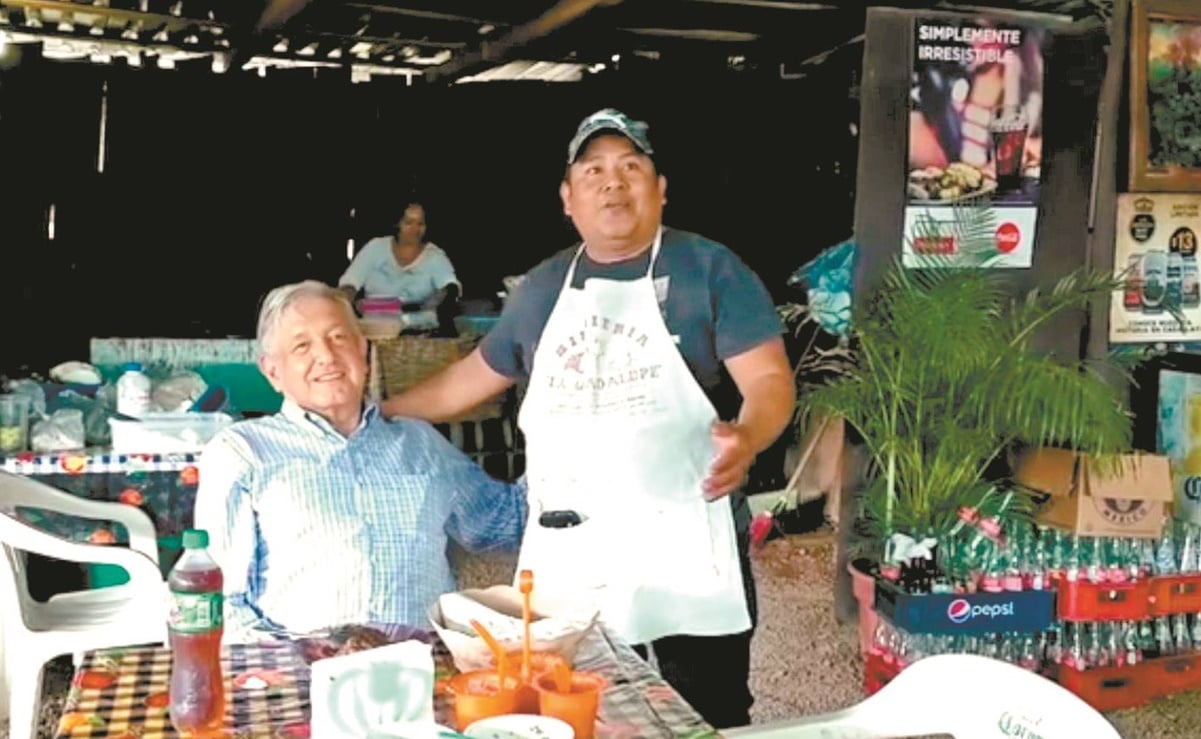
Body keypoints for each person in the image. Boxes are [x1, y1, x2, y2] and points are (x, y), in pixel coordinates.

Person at [381, 108, 795, 728]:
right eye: (594, 169)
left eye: (632, 167)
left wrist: (749, 435)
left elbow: (767, 381)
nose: (613, 182)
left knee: (706, 710)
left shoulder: (711, 269)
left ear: (660, 190)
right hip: (574, 546)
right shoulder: (544, 289)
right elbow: (471, 380)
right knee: (572, 705)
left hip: (685, 537)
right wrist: (380, 411)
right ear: (568, 198)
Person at [193, 280, 526, 643]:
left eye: (338, 337)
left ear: (363, 352)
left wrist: (567, 441)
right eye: (302, 345)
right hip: (304, 674)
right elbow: (220, 600)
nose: (326, 356)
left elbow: (504, 522)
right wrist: (291, 667)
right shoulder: (244, 452)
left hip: (418, 667)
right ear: (273, 371)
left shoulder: (420, 444)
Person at [338, 199, 461, 334]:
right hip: (375, 328)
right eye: (408, 223)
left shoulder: (435, 257)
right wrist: (345, 304)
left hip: (421, 329)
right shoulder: (375, 248)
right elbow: (350, 283)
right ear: (397, 224)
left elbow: (450, 286)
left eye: (420, 223)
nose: (415, 229)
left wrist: (441, 299)